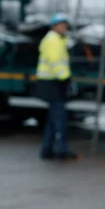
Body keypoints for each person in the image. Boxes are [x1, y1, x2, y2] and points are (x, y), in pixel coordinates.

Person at [37, 12, 77, 161]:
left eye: (65, 25)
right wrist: (65, 78)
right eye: (61, 25)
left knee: (53, 119)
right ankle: (62, 150)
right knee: (60, 118)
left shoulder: (59, 39)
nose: (64, 27)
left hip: (53, 82)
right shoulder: (53, 40)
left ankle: (47, 150)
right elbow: (55, 62)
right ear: (54, 26)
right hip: (52, 83)